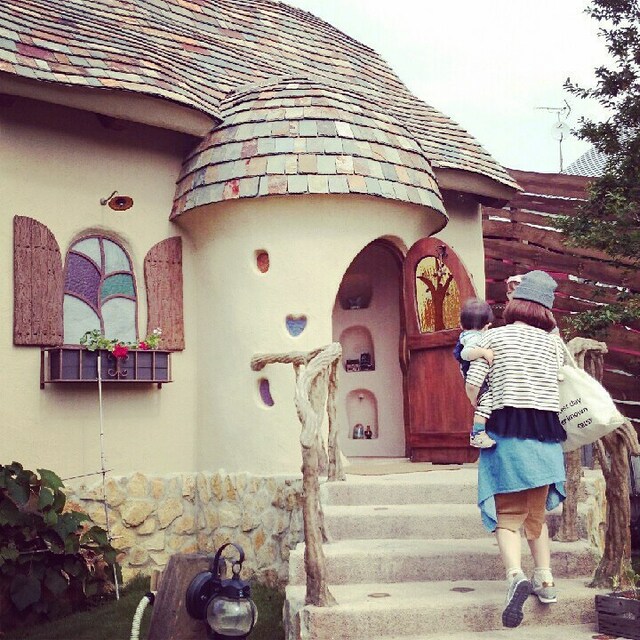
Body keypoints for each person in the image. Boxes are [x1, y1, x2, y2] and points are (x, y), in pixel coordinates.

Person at [465, 270, 567, 628]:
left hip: (507, 437)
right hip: (546, 442)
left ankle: (515, 577)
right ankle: (546, 580)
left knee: (507, 518)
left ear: (515, 303)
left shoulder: (495, 337)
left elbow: (473, 383)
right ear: (547, 309)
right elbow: (562, 379)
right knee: (536, 518)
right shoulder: (554, 344)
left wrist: (482, 405)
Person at [453, 298, 496, 448]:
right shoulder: (473, 337)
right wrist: (483, 352)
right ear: (487, 325)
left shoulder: (467, 335)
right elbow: (465, 354)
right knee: (487, 402)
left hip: (473, 378)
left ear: (461, 324)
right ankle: (477, 433)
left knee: (484, 402)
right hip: (474, 379)